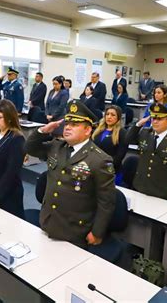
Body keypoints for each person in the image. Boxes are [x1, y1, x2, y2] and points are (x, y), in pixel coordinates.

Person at [25, 100, 116, 248]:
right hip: (48, 221)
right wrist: (43, 131)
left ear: (87, 130)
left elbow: (106, 202)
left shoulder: (100, 160)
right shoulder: (57, 146)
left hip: (74, 230)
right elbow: (30, 148)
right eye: (67, 124)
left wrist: (97, 232)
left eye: (74, 125)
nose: (67, 127)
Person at [127, 103, 167, 200]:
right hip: (140, 186)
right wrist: (138, 125)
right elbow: (128, 139)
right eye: (153, 118)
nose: (155, 121)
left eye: (159, 119)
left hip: (160, 190)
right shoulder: (145, 133)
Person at [92, 105, 128, 185]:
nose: (109, 117)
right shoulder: (98, 130)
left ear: (118, 118)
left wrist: (102, 166)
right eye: (107, 114)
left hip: (111, 172)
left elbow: (119, 157)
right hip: (94, 169)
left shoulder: (122, 133)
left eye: (113, 115)